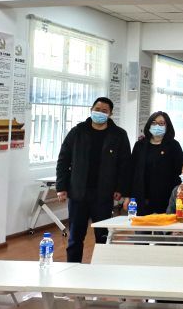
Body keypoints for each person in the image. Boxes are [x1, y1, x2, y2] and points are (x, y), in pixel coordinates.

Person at [56, 97, 131, 263]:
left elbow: (125, 165)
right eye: (97, 109)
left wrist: (121, 188)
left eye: (104, 111)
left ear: (110, 114)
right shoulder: (78, 131)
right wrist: (61, 187)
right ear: (91, 109)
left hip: (103, 194)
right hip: (78, 193)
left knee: (103, 235)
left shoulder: (119, 135)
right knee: (75, 236)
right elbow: (63, 160)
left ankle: (101, 269)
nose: (100, 113)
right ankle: (73, 268)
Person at [127, 111, 183, 216]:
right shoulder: (140, 145)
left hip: (166, 198)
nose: (157, 126)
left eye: (161, 123)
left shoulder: (174, 146)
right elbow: (131, 171)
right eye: (153, 123)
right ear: (149, 125)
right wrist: (128, 197)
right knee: (141, 225)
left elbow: (179, 173)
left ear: (167, 126)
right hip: (142, 198)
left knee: (162, 225)